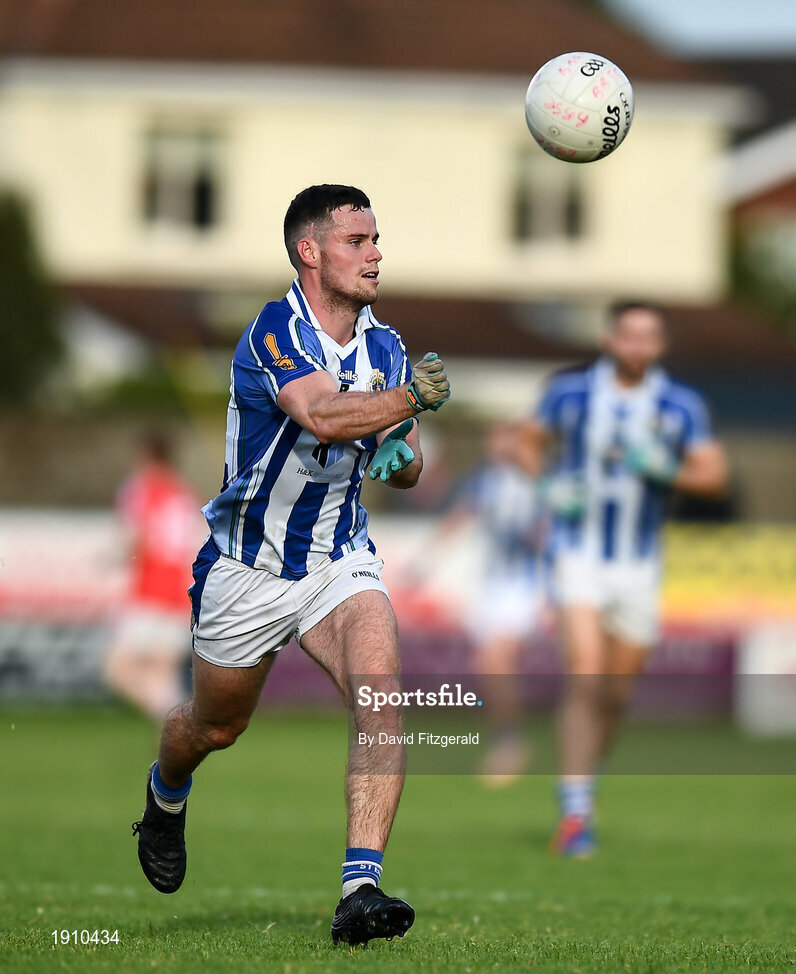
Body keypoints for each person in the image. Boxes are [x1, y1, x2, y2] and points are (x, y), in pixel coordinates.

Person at [131, 184, 451, 945]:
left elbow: (398, 463)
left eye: (378, 239)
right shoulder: (275, 331)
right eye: (357, 241)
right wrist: (407, 401)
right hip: (247, 567)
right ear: (310, 252)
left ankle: (360, 890)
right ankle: (165, 794)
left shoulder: (388, 347)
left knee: (382, 695)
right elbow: (319, 412)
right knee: (212, 727)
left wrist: (403, 454)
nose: (376, 253)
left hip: (338, 558)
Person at [519, 301, 728, 857]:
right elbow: (525, 442)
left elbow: (714, 475)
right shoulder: (570, 394)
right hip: (577, 553)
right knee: (585, 677)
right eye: (627, 334)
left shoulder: (679, 405)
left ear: (660, 345)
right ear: (609, 338)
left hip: (638, 563)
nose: (636, 346)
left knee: (614, 694)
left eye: (648, 337)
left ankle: (585, 777)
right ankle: (575, 812)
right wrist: (546, 488)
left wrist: (666, 469)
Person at [422, 420, 546, 783]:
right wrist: (425, 561)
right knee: (489, 667)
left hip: (525, 586)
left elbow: (553, 530)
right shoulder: (486, 479)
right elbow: (460, 518)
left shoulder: (537, 482)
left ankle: (511, 743)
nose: (496, 445)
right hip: (491, 587)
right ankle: (508, 739)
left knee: (494, 661)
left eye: (504, 437)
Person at [105, 433, 202, 720]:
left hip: (151, 592)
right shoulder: (183, 492)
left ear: (145, 455)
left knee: (118, 670)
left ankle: (178, 723)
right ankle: (177, 745)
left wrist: (111, 559)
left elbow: (135, 538)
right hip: (181, 594)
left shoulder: (141, 488)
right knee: (163, 676)